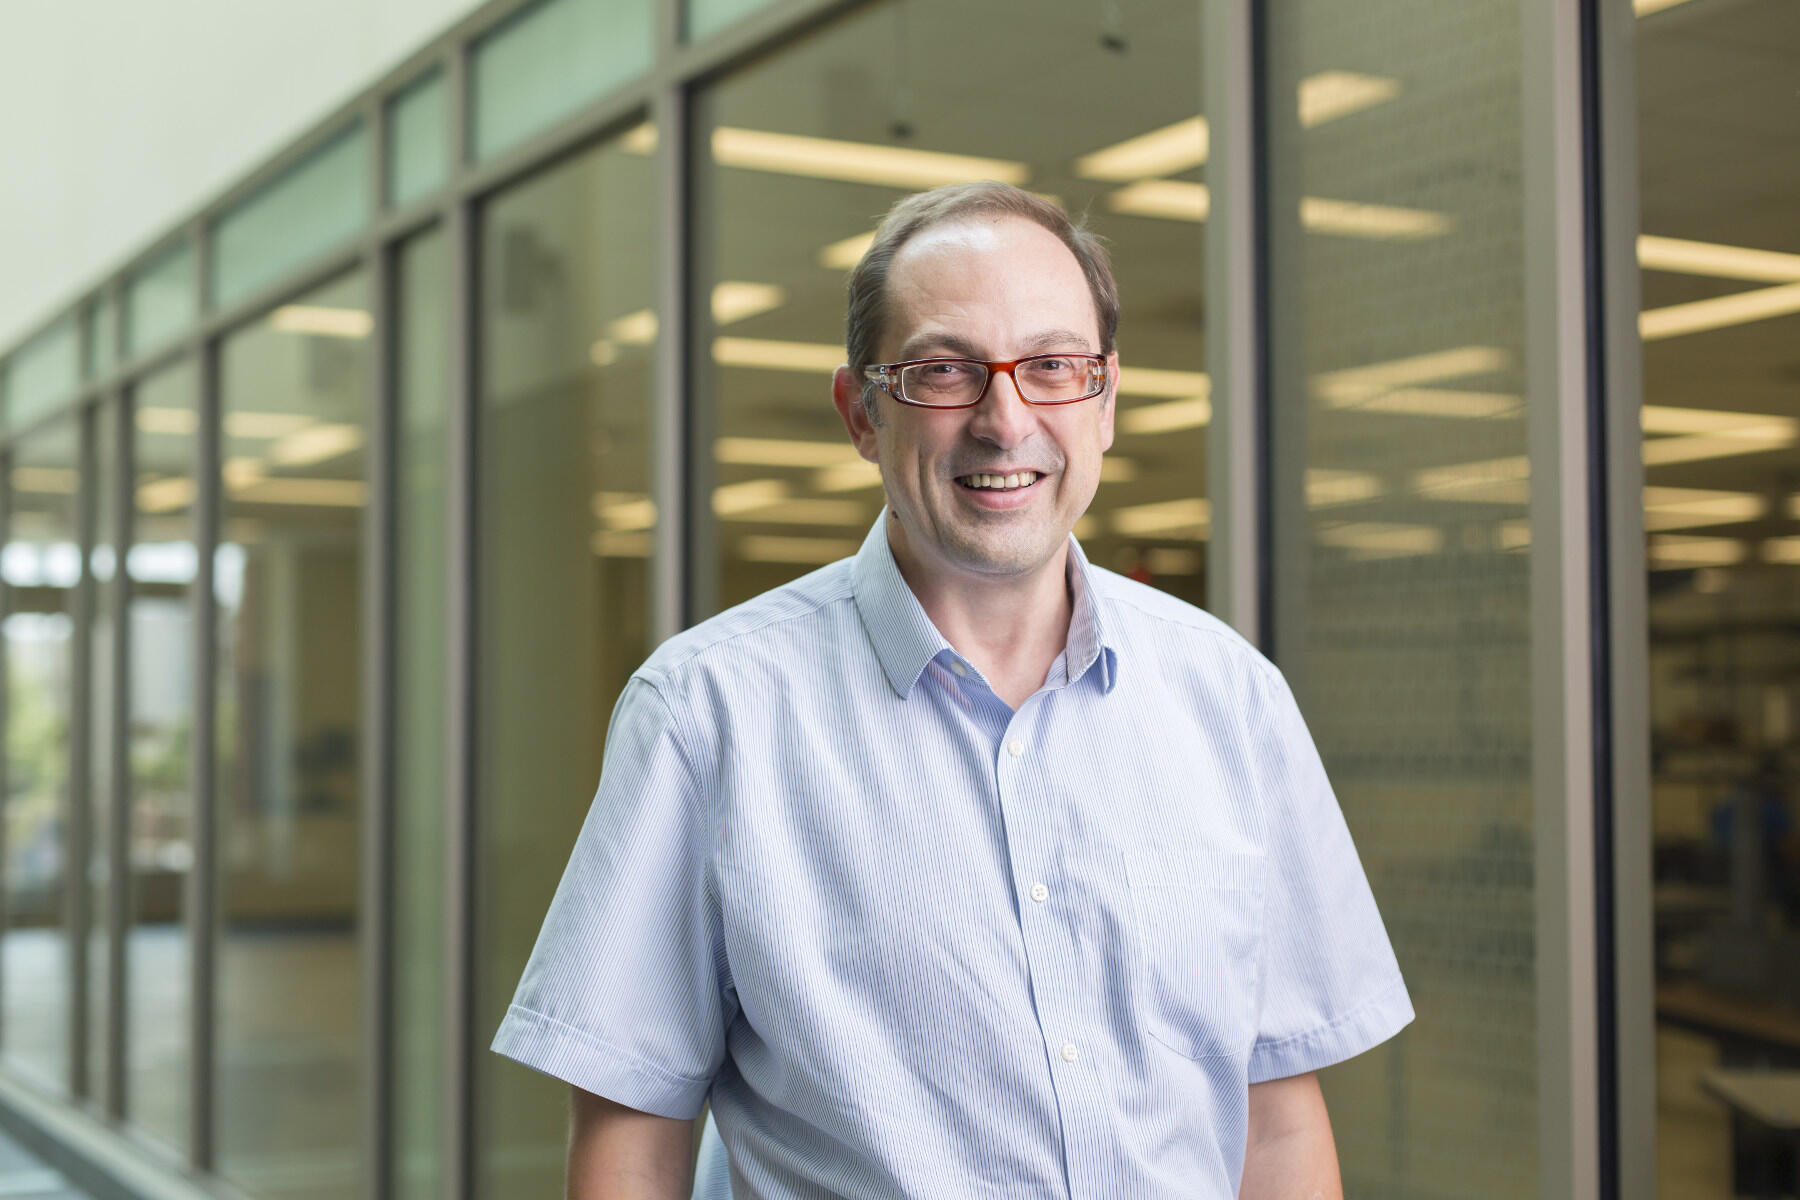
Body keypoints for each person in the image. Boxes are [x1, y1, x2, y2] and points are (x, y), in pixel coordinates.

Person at [492, 182, 1413, 1199]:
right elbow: (633, 1137)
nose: (1005, 418)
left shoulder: (1231, 700)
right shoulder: (708, 717)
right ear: (860, 412)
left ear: (1104, 402)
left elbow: (1278, 1125)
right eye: (943, 371)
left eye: (1054, 366)